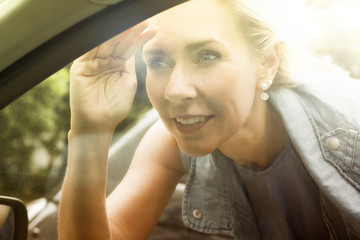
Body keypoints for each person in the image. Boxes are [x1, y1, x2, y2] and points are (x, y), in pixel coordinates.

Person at [59, 0, 360, 239]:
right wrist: (91, 129)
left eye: (207, 56)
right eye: (159, 61)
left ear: (267, 63)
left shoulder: (350, 119)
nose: (176, 90)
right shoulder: (167, 143)